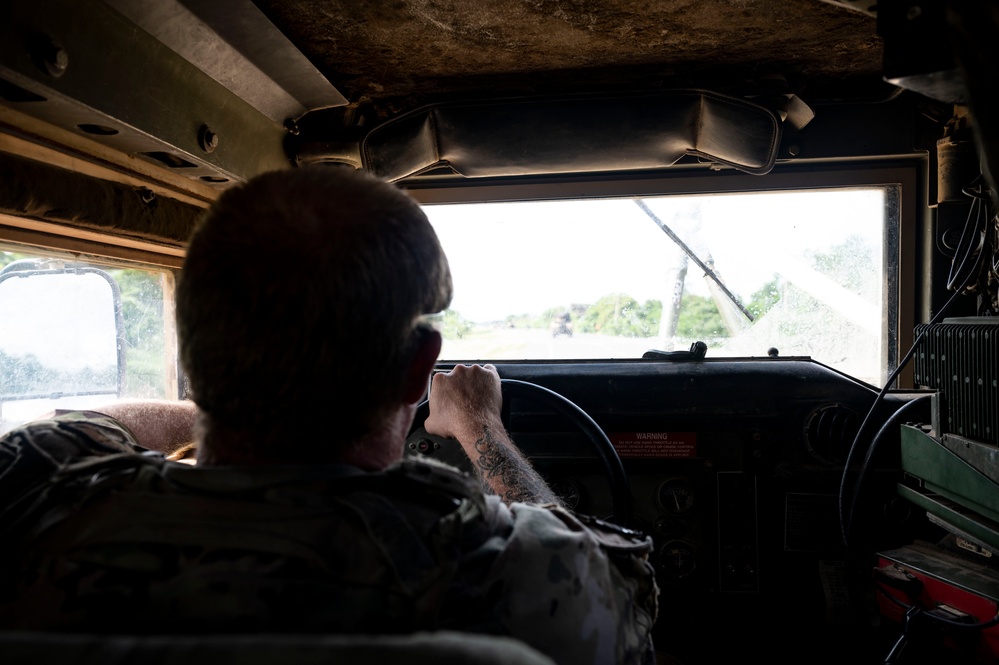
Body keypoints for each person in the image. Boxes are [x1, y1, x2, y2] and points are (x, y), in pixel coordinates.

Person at [0, 166, 658, 664]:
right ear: (417, 368)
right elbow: (627, 609)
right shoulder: (500, 566)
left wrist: (235, 393)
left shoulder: (34, 499)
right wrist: (481, 431)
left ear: (193, 360)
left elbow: (84, 423)